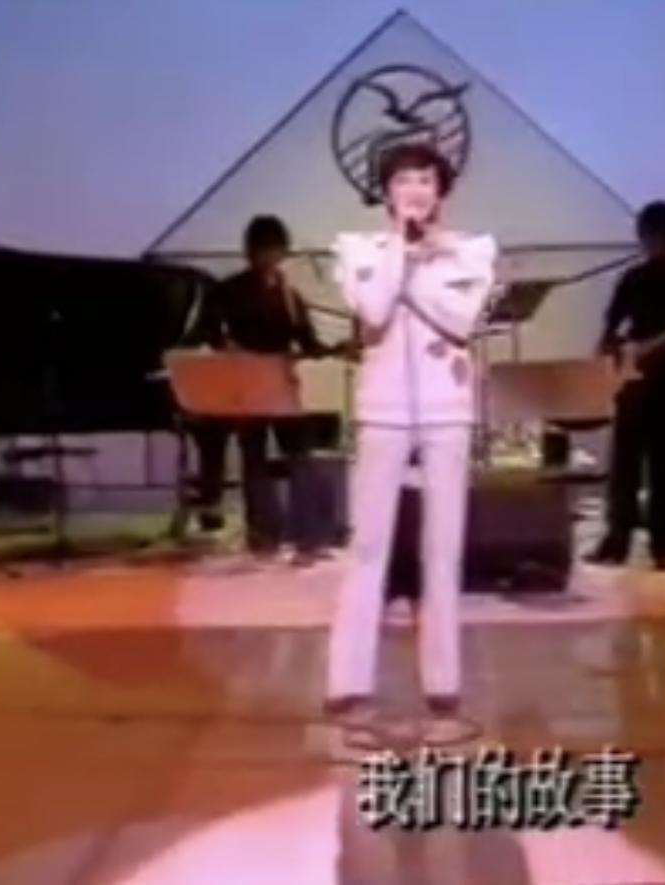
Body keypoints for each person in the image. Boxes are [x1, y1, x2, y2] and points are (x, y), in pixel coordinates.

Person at [324, 143, 497, 726]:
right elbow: (373, 311)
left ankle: (443, 682)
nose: (415, 190)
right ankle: (348, 680)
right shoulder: (356, 249)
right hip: (382, 407)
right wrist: (402, 249)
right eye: (403, 181)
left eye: (425, 179)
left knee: (443, 548)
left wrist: (419, 269)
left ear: (441, 190)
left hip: (448, 407)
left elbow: (460, 320)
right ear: (387, 193)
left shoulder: (473, 250)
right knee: (368, 545)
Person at [185, 215, 342, 562]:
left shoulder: (289, 295)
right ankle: (264, 537)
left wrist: (335, 349)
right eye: (262, 250)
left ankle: (308, 537)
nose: (269, 257)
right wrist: (232, 350)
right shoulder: (229, 290)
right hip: (247, 383)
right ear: (251, 251)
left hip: (282, 382)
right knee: (254, 458)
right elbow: (209, 332)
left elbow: (307, 341)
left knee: (300, 457)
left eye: (275, 250)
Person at [589, 201, 665, 571]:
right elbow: (609, 336)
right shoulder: (664, 278)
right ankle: (650, 545)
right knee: (642, 465)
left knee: (653, 465)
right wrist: (618, 356)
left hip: (662, 383)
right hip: (642, 381)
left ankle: (641, 544)